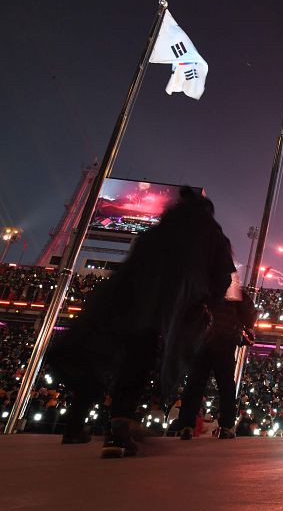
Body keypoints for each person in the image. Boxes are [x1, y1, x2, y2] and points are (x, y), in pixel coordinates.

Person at [49, 187, 234, 458]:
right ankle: (119, 428)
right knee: (138, 360)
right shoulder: (212, 234)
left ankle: (75, 425)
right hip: (162, 306)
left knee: (103, 357)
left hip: (124, 298)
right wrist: (209, 304)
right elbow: (223, 277)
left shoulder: (159, 230)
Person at [178, 273, 256, 440]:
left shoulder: (204, 290)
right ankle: (227, 426)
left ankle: (186, 425)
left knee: (195, 384)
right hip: (224, 341)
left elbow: (190, 312)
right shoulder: (236, 294)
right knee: (226, 385)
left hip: (203, 340)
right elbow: (249, 316)